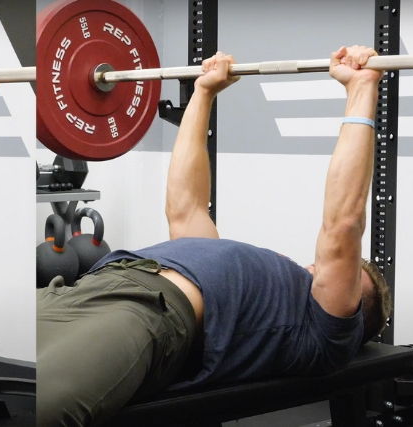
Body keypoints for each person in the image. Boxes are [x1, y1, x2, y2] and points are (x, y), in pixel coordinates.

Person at [36, 45, 393, 426]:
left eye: (345, 279)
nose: (316, 266)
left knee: (45, 408)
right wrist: (204, 92)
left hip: (143, 314)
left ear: (352, 316)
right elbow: (186, 207)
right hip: (82, 289)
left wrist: (361, 89)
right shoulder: (240, 276)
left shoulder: (323, 336)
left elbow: (343, 226)